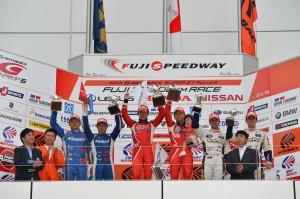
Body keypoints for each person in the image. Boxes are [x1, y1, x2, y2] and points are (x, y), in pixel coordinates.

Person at [121, 92, 165, 180]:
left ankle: (148, 193)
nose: (143, 114)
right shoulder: (133, 124)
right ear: (138, 113)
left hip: (148, 151)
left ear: (148, 113)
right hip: (137, 151)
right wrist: (125, 100)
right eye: (141, 112)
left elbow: (162, 113)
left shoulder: (152, 124)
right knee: (136, 175)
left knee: (148, 175)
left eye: (145, 112)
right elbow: (124, 114)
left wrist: (157, 96)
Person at [227, 110, 273, 179]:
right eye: (249, 118)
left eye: (253, 118)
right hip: (244, 158)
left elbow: (267, 148)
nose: (251, 120)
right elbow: (229, 137)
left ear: (256, 120)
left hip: (256, 159)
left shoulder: (262, 133)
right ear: (246, 120)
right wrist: (230, 121)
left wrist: (269, 161)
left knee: (257, 180)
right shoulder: (242, 133)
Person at [82, 104, 124, 180]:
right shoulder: (92, 138)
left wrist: (116, 112)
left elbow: (119, 126)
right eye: (100, 125)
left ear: (107, 126)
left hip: (109, 166)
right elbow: (86, 128)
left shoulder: (111, 137)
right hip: (97, 165)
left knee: (110, 186)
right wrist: (84, 113)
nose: (102, 127)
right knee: (97, 187)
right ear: (97, 126)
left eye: (103, 125)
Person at [192, 106, 232, 180]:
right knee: (206, 183)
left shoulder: (224, 135)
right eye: (212, 120)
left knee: (219, 183)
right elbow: (194, 125)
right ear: (209, 122)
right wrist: (197, 110)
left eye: (216, 120)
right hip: (207, 160)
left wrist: (228, 166)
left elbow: (227, 152)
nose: (214, 122)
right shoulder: (204, 133)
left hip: (219, 160)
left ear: (219, 122)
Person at [50, 107, 90, 180]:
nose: (74, 123)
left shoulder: (86, 135)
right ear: (69, 123)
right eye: (72, 121)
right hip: (69, 163)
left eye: (76, 121)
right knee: (68, 185)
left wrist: (92, 163)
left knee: (82, 185)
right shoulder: (65, 133)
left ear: (80, 123)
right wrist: (55, 108)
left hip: (82, 163)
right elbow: (53, 124)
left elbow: (90, 150)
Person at [165, 101, 193, 180]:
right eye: (176, 114)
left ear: (184, 115)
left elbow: (195, 140)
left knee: (188, 174)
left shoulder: (189, 126)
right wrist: (169, 101)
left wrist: (192, 141)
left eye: (180, 113)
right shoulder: (171, 125)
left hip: (187, 151)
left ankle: (187, 192)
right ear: (174, 116)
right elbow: (166, 113)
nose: (178, 115)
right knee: (174, 175)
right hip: (175, 151)